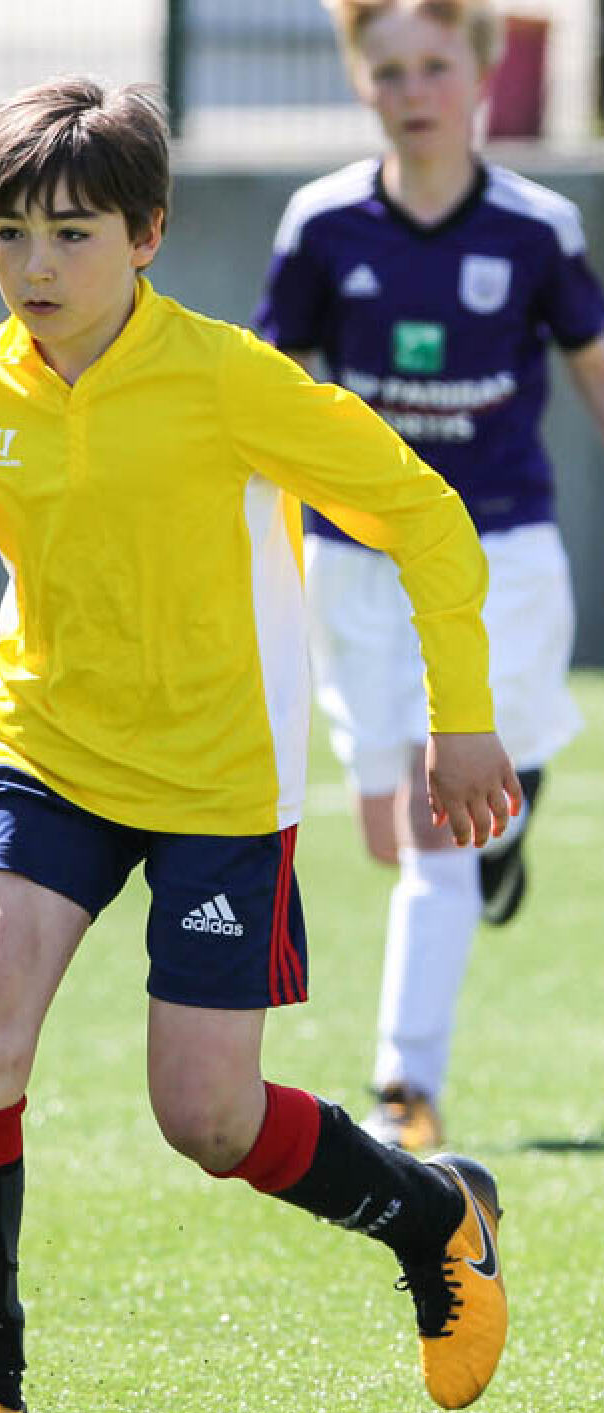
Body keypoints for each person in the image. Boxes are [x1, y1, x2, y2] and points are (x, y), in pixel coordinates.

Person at [0, 76, 519, 1413]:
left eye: (71, 233)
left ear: (147, 235)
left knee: (207, 1119)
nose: (35, 265)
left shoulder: (228, 380)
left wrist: (463, 717)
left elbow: (422, 514)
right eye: (7, 232)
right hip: (52, 759)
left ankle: (434, 1213)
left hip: (219, 784)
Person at [256, 0, 604, 1153]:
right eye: (389, 70)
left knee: (431, 833)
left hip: (498, 558)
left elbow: (592, 369)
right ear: (361, 81)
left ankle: (404, 1085)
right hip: (354, 567)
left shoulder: (537, 228)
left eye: (434, 67)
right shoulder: (321, 224)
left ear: (481, 72)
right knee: (388, 834)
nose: (413, 92)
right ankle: (502, 826)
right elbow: (265, 392)